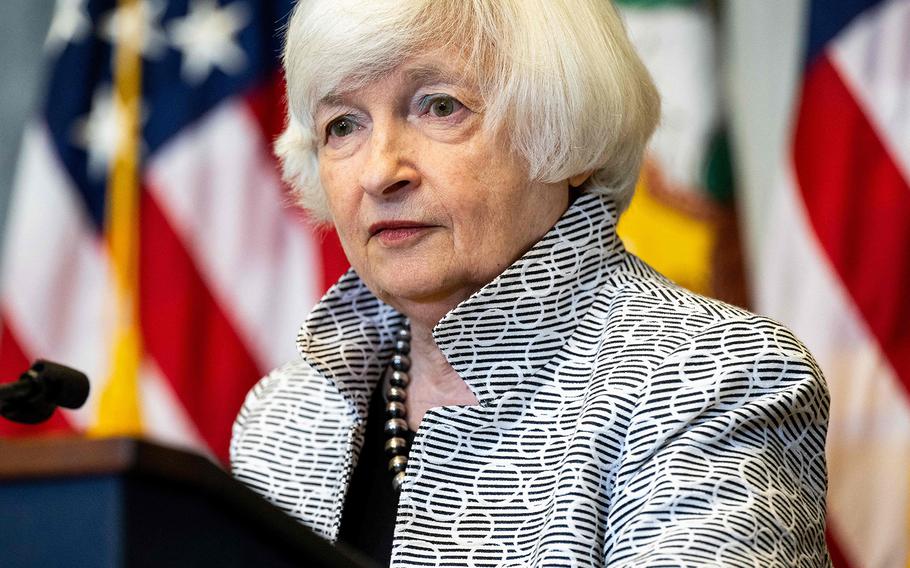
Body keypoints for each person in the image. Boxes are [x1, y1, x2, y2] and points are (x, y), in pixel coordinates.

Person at [230, 0, 831, 566]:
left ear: (568, 133)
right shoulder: (285, 412)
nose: (380, 171)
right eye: (343, 125)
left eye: (440, 106)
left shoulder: (711, 379)